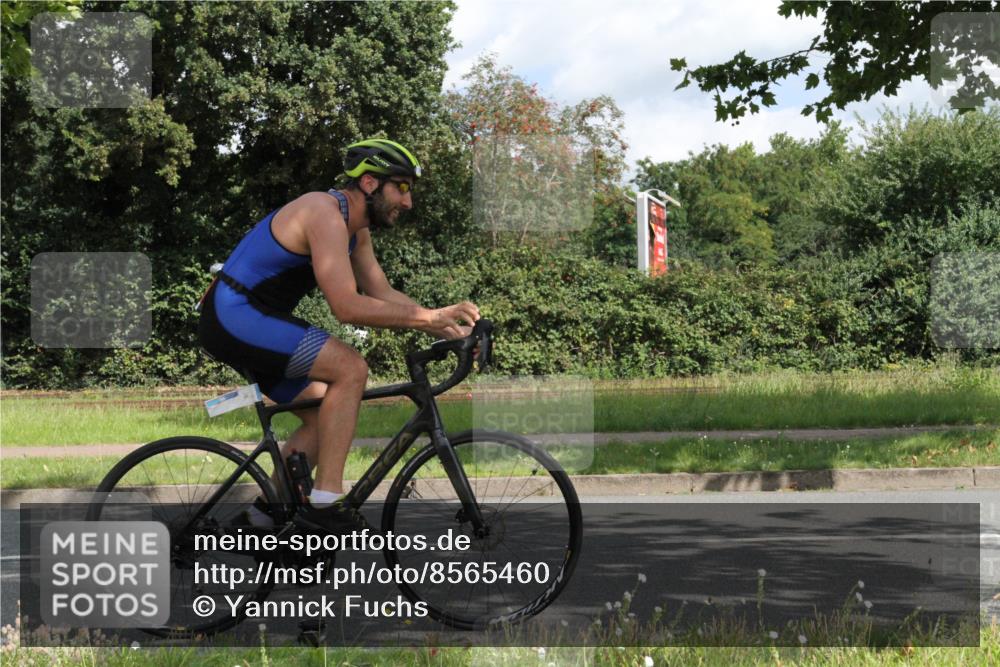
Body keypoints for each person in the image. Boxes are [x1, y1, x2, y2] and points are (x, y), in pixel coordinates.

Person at [198, 138, 480, 534]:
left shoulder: (355, 231)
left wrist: (449, 328)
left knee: (322, 419)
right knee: (350, 367)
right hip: (234, 314)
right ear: (369, 182)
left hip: (250, 319)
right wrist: (429, 319)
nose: (408, 201)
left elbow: (381, 293)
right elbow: (346, 307)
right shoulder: (324, 213)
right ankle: (326, 503)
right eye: (402, 187)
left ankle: (261, 517)